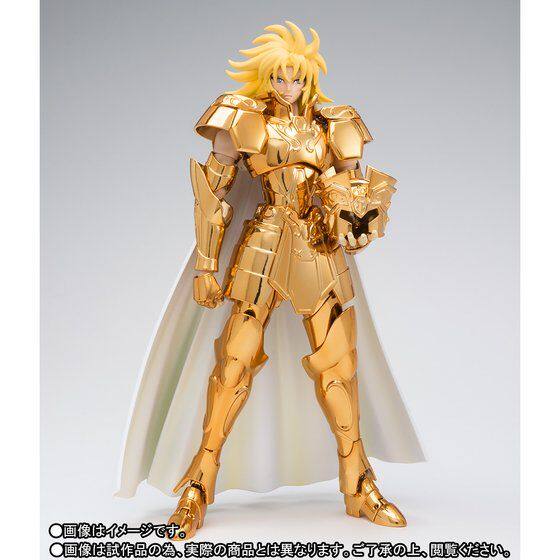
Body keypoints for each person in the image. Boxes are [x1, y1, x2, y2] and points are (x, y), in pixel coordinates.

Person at [117, 21, 424, 540]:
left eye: (296, 79)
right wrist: (206, 266)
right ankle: (199, 483)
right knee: (234, 360)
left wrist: (358, 217)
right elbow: (212, 197)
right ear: (266, 79)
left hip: (319, 247)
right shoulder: (244, 119)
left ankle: (359, 482)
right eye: (279, 78)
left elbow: (353, 188)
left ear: (309, 80)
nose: (287, 87)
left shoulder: (335, 123)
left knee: (340, 364)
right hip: (263, 240)